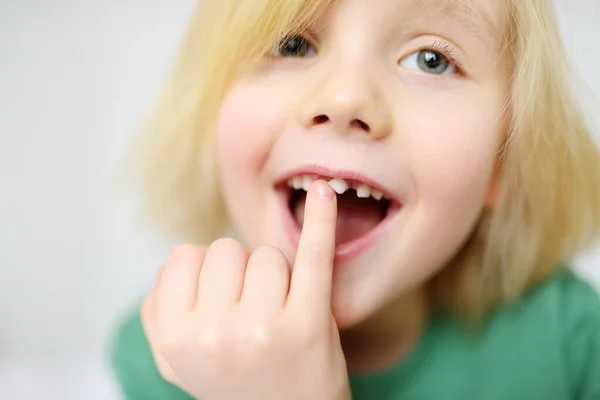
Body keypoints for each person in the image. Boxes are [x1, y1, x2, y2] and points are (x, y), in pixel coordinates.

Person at [108, 0, 600, 398]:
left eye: (432, 60)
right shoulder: (169, 356)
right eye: (291, 44)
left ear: (503, 160)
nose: (344, 99)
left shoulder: (570, 343)